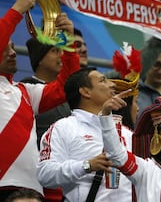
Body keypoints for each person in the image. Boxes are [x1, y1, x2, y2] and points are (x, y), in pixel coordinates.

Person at [0, 0, 80, 200]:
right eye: (5, 48)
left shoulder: (25, 91)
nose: (13, 52)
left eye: (13, 47)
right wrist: (17, 11)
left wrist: (67, 42)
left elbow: (68, 86)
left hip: (30, 190)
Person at [36, 67, 135, 202]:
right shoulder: (63, 128)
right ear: (85, 91)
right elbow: (45, 174)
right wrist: (87, 165)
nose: (112, 84)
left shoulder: (126, 132)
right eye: (103, 81)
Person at [20, 38, 71, 149]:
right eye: (55, 51)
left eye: (62, 51)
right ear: (40, 59)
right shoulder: (25, 92)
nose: (61, 55)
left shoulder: (68, 91)